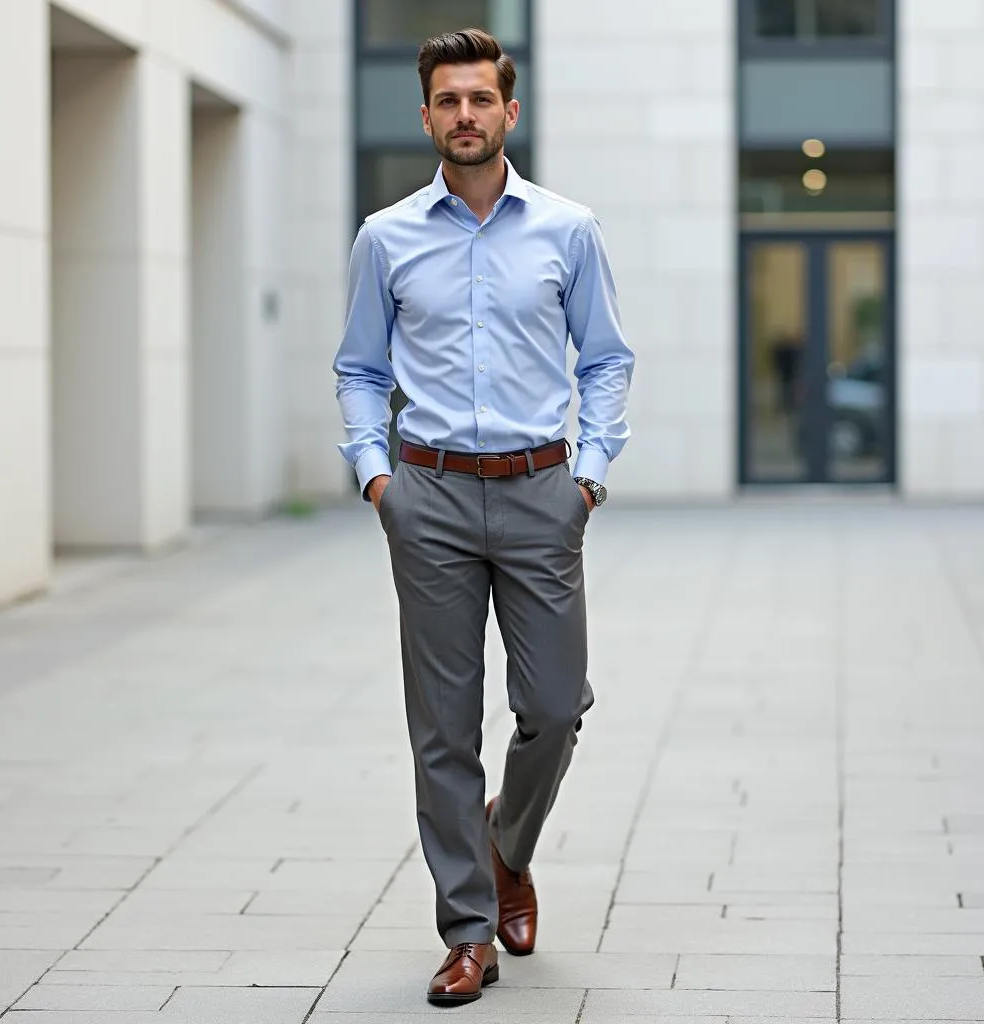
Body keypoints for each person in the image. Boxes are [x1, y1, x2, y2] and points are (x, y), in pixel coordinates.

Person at [333, 27, 634, 1006]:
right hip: (427, 498)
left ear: (510, 111)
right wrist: (379, 480)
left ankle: (507, 843)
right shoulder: (386, 237)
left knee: (554, 706)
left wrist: (585, 478)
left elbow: (605, 360)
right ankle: (467, 932)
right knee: (441, 731)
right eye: (447, 101)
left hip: (542, 491)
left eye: (480, 99)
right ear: (424, 116)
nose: (465, 115)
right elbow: (360, 370)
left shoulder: (567, 229)